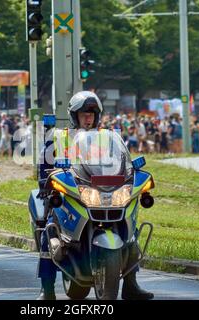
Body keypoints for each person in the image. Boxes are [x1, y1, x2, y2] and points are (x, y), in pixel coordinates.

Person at [36, 91, 154, 300]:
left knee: (131, 230)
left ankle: (130, 284)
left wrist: (131, 174)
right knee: (49, 229)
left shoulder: (108, 137)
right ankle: (47, 289)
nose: (88, 117)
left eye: (92, 113)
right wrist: (46, 181)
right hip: (70, 190)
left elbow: (123, 162)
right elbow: (44, 165)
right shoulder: (61, 137)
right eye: (83, 113)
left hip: (104, 190)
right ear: (75, 116)